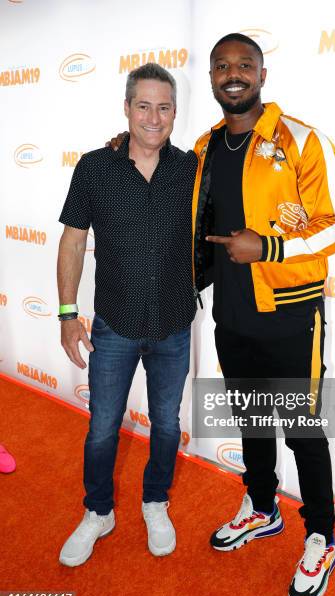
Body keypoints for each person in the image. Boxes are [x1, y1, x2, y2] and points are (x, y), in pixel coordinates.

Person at [191, 33, 335, 596]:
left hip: (290, 315)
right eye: (222, 66)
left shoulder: (302, 141)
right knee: (252, 421)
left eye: (244, 65)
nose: (233, 75)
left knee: (303, 431)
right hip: (232, 316)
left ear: (262, 74)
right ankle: (261, 508)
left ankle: (322, 537)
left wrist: (270, 248)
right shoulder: (204, 146)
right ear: (211, 77)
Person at [57, 63, 197, 566]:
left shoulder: (191, 170)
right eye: (144, 106)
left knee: (164, 425)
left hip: (174, 326)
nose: (153, 118)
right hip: (113, 326)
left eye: (163, 107)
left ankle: (155, 502)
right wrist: (67, 313)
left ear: (175, 113)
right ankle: (99, 512)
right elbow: (73, 239)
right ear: (126, 108)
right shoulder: (95, 167)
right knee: (102, 427)